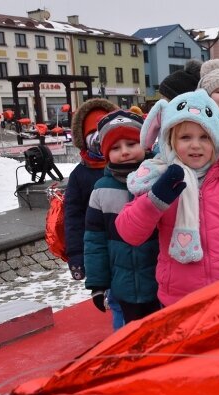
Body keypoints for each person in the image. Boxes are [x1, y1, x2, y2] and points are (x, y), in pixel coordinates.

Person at [116, 90, 219, 307]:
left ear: (217, 141)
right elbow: (129, 232)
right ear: (170, 140)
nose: (196, 145)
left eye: (204, 137)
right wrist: (154, 201)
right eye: (185, 137)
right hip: (180, 298)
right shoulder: (159, 180)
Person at [84, 110, 160, 324]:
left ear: (145, 145)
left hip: (160, 281)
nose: (125, 152)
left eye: (131, 144)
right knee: (128, 340)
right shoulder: (101, 190)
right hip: (122, 284)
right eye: (116, 148)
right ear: (106, 153)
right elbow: (94, 241)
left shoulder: (159, 180)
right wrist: (98, 284)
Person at [63, 97, 126, 329]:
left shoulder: (131, 164)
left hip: (134, 246)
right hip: (103, 248)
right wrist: (76, 256)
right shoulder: (80, 175)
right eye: (94, 135)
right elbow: (74, 218)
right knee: (118, 300)